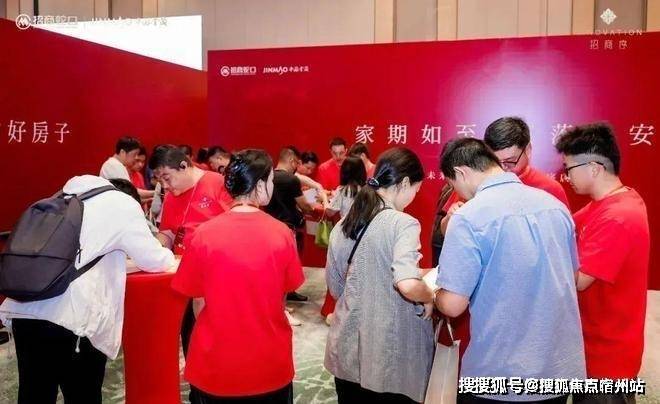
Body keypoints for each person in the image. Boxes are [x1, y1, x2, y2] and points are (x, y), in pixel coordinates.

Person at [434, 138, 585, 403]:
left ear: (461, 173)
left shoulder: (468, 217)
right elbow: (571, 278)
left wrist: (435, 294)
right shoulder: (555, 206)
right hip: (557, 369)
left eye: (453, 184)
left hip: (499, 371)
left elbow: (453, 305)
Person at [0, 175, 175, 404]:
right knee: (82, 395)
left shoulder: (60, 198)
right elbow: (154, 259)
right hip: (73, 320)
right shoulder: (122, 204)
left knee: (34, 394)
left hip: (26, 311)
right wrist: (169, 251)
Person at [172, 149, 303, 404]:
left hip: (216, 362)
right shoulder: (282, 234)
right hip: (268, 361)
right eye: (271, 180)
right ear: (260, 185)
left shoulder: (203, 234)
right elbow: (281, 298)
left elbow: (198, 302)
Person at [325, 147, 434, 403]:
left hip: (347, 350)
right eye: (416, 189)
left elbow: (336, 288)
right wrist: (428, 296)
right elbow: (407, 284)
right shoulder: (403, 223)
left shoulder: (344, 223)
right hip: (388, 360)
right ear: (404, 183)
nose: (414, 197)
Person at [555, 123, 649, 404]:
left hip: (608, 359)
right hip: (591, 344)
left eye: (569, 169)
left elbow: (579, 280)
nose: (566, 177)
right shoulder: (604, 203)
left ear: (594, 168)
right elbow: (565, 227)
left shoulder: (618, 216)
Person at [149, 145, 233, 361]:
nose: (165, 186)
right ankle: (195, 377)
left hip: (217, 275)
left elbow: (235, 226)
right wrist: (153, 249)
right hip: (184, 275)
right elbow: (168, 233)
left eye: (167, 178)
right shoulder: (171, 196)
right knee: (191, 334)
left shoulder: (217, 183)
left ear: (184, 166)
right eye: (159, 180)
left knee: (217, 335)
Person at [484, 116, 570, 207]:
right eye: (495, 161)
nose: (503, 167)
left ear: (528, 150)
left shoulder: (550, 189)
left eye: (510, 161)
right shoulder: (483, 187)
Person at [100, 136, 155, 201]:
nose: (136, 158)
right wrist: (155, 192)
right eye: (134, 154)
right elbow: (130, 192)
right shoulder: (114, 166)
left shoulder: (116, 165)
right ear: (122, 152)